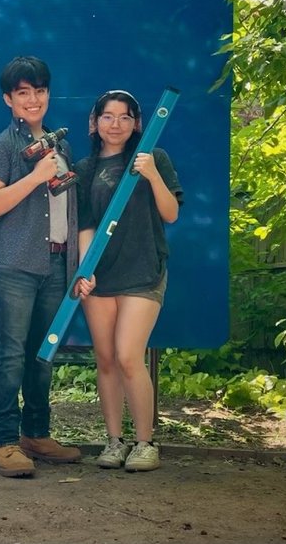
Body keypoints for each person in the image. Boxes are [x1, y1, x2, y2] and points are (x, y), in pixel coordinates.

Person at [0, 56, 82, 478]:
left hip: (56, 264)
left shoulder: (63, 146)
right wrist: (36, 176)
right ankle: (2, 442)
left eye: (39, 90)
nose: (33, 99)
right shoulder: (3, 145)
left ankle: (35, 435)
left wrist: (75, 261)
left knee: (43, 355)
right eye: (23, 92)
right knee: (11, 355)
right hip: (14, 265)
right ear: (8, 99)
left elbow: (70, 208)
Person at [72, 89, 182, 472]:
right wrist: (85, 271)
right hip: (101, 277)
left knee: (128, 357)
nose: (115, 124)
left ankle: (145, 443)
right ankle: (114, 441)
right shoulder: (85, 169)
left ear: (137, 122)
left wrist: (151, 174)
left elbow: (170, 214)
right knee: (105, 360)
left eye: (124, 117)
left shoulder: (154, 158)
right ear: (95, 122)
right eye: (107, 116)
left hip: (143, 271)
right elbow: (84, 225)